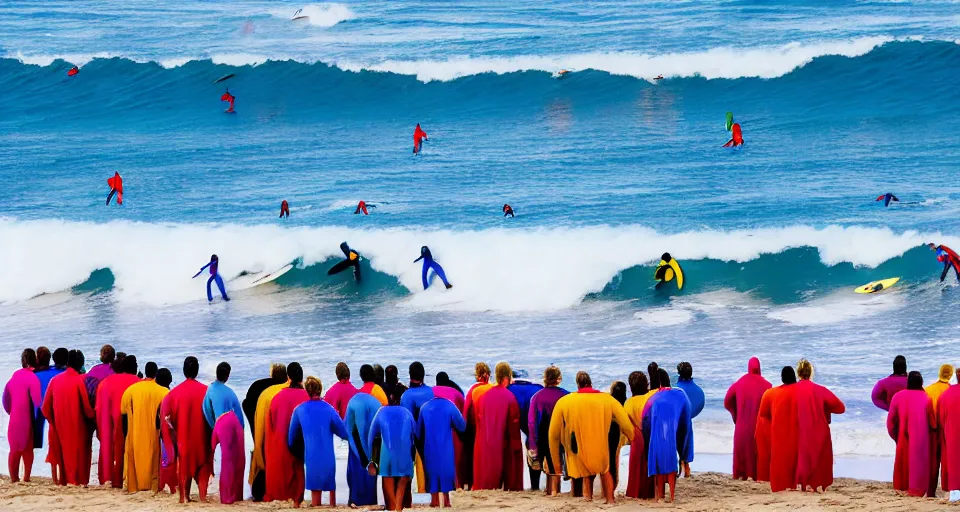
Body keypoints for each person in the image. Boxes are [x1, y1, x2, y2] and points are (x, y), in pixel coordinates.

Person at [549, 370, 634, 504]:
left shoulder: (564, 402)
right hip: (601, 448)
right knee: (605, 472)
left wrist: (556, 464)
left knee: (587, 474)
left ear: (578, 384)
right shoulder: (607, 399)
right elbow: (626, 424)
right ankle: (610, 499)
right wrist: (633, 438)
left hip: (581, 448)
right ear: (590, 383)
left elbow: (553, 435)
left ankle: (588, 498)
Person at [289, 376, 349, 508]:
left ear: (307, 391)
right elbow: (344, 433)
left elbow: (291, 438)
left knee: (315, 500)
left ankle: (317, 505)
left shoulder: (299, 410)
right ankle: (332, 505)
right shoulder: (329, 409)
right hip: (328, 458)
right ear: (320, 389)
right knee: (331, 491)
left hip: (311, 457)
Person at [160, 356, 212, 503]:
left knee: (184, 467)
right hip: (202, 438)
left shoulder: (172, 394)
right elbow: (212, 417)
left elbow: (167, 420)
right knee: (203, 466)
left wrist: (173, 437)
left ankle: (185, 497)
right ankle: (203, 497)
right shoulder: (207, 392)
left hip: (183, 439)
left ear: (183, 371)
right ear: (197, 370)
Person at [41, 349, 94, 486]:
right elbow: (87, 409)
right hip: (78, 427)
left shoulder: (54, 381)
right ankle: (78, 482)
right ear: (80, 364)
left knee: (64, 458)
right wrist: (94, 419)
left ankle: (65, 482)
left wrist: (54, 422)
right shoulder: (80, 380)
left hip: (59, 427)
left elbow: (45, 408)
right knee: (79, 458)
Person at [794, 359, 845, 492]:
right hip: (819, 429)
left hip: (799, 429)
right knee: (819, 459)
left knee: (803, 457)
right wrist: (825, 409)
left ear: (798, 373)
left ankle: (803, 483)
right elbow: (840, 408)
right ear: (811, 373)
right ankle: (817, 485)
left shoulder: (792, 390)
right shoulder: (820, 390)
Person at [643, 369, 694, 502]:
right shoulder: (680, 394)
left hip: (657, 434)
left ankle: (660, 495)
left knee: (659, 466)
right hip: (672, 431)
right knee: (671, 463)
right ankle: (671, 495)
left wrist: (648, 437)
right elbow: (686, 415)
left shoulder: (652, 398)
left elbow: (645, 419)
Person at [120, 360, 170, 492]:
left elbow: (123, 414)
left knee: (135, 466)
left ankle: (135, 486)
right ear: (156, 373)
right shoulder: (163, 391)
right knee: (153, 463)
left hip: (134, 435)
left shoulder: (131, 390)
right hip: (154, 436)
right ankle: (153, 486)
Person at [473, 362, 524, 491]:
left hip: (486, 444)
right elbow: (514, 426)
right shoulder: (510, 397)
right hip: (503, 444)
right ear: (507, 377)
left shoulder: (483, 397)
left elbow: (478, 422)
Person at [887, 371, 937, 497]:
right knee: (919, 464)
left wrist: (895, 436)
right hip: (922, 439)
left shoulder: (897, 396)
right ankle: (917, 490)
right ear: (921, 383)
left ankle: (901, 487)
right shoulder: (926, 398)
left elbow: (890, 421)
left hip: (903, 436)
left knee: (902, 462)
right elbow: (933, 424)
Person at [266, 362, 309, 503]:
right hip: (301, 443)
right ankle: (298, 501)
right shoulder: (307, 396)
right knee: (298, 469)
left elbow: (271, 424)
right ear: (301, 378)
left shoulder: (277, 397)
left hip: (281, 442)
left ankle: (285, 498)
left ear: (288, 378)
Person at [94, 354, 140, 488]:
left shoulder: (104, 383)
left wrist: (98, 430)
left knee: (108, 447)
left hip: (108, 423)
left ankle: (107, 478)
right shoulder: (136, 381)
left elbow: (99, 409)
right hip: (129, 424)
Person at [723, 357, 771, 481]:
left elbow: (727, 401)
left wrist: (736, 414)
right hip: (758, 426)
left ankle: (740, 475)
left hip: (742, 425)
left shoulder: (739, 383)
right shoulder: (767, 385)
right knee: (756, 451)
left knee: (742, 450)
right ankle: (754, 475)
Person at [368, 393, 417, 511]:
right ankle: (398, 508)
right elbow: (416, 434)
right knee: (403, 480)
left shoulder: (381, 412)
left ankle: (393, 507)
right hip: (405, 455)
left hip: (387, 457)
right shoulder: (407, 412)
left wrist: (371, 460)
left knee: (387, 478)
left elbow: (370, 437)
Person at [417, 393, 467, 507]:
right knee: (446, 469)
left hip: (429, 447)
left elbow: (418, 432)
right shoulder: (450, 405)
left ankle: (434, 500)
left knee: (432, 470)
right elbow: (462, 426)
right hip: (446, 447)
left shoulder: (424, 407)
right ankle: (447, 500)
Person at [248, 363, 289, 501]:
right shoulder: (283, 390)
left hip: (257, 426)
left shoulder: (258, 386)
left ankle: (257, 488)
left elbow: (246, 404)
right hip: (278, 431)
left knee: (259, 454)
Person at [528, 366, 568, 496]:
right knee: (558, 461)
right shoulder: (566, 395)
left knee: (548, 463)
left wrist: (533, 443)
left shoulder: (536, 397)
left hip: (543, 433)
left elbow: (532, 422)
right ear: (558, 379)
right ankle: (556, 490)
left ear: (545, 379)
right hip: (562, 433)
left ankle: (551, 491)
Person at [3, 349, 42, 482]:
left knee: (14, 449)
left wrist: (11, 411)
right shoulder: (33, 378)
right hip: (27, 420)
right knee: (27, 449)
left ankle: (14, 478)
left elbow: (5, 398)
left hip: (14, 419)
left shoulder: (15, 376)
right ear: (35, 361)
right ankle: (26, 478)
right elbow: (38, 402)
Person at [758, 366, 799, 490]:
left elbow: (763, 414)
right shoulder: (802, 391)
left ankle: (781, 485)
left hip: (778, 434)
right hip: (798, 432)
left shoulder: (770, 393)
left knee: (780, 460)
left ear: (782, 378)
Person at [399, 362, 433, 493]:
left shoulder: (407, 396)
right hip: (433, 435)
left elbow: (407, 422)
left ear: (409, 375)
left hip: (416, 438)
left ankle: (421, 491)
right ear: (423, 375)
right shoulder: (431, 392)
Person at [345, 389, 382, 507]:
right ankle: (371, 500)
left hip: (357, 443)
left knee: (357, 467)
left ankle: (355, 500)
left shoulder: (353, 401)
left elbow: (349, 428)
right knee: (371, 467)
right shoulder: (376, 402)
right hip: (374, 444)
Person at [508, 372, 544, 490]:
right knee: (534, 445)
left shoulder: (508, 389)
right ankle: (535, 485)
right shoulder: (538, 388)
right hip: (535, 423)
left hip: (514, 420)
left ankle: (513, 484)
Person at [624, 371, 655, 499]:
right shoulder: (650, 399)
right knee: (649, 463)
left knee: (636, 467)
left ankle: (634, 492)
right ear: (645, 384)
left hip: (636, 437)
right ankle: (650, 492)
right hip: (650, 434)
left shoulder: (628, 403)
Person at [211, 408, 245, 504]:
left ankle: (227, 497)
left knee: (227, 461)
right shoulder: (234, 418)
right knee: (238, 460)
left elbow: (212, 446)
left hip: (222, 424)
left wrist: (211, 469)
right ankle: (237, 495)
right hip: (235, 424)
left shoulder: (219, 422)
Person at [32, 346, 61, 451]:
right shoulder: (58, 372)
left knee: (36, 444)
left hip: (38, 410)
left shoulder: (33, 375)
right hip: (55, 408)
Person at [938, 366, 960, 501]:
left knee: (954, 460)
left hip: (952, 432)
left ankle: (956, 494)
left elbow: (941, 418)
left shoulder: (945, 394)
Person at [203, 361, 244, 429]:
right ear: (227, 376)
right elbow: (239, 419)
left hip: (215, 433)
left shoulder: (209, 391)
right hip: (228, 432)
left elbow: (207, 412)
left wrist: (214, 429)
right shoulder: (231, 393)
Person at [607, 381, 628, 487]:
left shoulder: (609, 404)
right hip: (623, 437)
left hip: (610, 434)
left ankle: (611, 485)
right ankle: (617, 483)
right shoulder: (627, 404)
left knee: (610, 461)